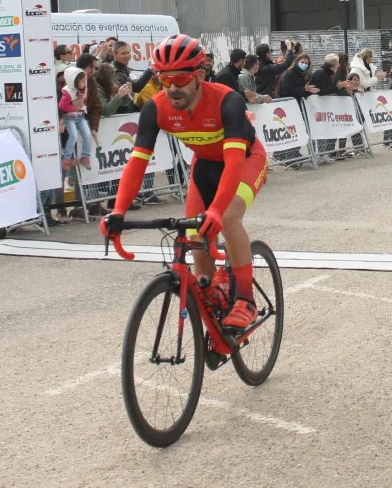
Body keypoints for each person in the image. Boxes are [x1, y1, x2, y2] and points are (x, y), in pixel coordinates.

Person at [100, 35, 269, 333]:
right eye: (164, 79)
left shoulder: (226, 100)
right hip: (203, 164)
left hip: (244, 160)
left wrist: (216, 210)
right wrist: (118, 212)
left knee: (227, 218)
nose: (173, 88)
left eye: (180, 78)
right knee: (194, 234)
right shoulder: (156, 108)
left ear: (200, 75)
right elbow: (137, 163)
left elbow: (232, 163)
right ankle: (210, 292)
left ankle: (246, 300)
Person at [59, 66, 97, 172]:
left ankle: (85, 156)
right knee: (73, 136)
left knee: (87, 135)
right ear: (73, 82)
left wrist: (82, 107)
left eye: (85, 81)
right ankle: (66, 158)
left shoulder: (83, 89)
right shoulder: (67, 92)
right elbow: (62, 106)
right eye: (82, 81)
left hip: (80, 117)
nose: (85, 83)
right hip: (69, 118)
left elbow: (83, 101)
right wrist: (75, 108)